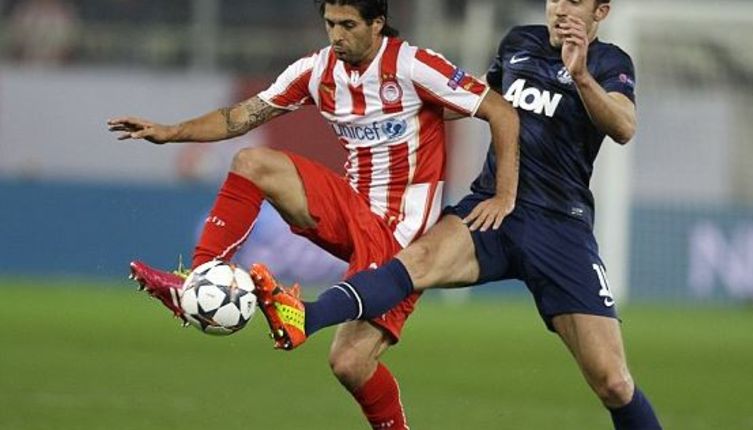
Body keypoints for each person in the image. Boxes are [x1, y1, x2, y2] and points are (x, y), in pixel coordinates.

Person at [107, 1, 520, 429]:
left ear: (377, 24)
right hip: (350, 208)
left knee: (349, 363)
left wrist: (504, 195)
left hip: (402, 238)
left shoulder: (415, 66)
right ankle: (195, 282)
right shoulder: (316, 71)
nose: (337, 35)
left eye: (348, 25)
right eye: (330, 24)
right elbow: (241, 116)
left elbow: (501, 112)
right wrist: (171, 132)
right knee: (252, 163)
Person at [249, 0, 662, 428]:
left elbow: (624, 126)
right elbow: (473, 95)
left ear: (602, 12)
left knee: (613, 382)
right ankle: (306, 315)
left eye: (575, 1)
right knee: (415, 262)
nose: (560, 8)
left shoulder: (611, 62)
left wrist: (580, 76)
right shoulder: (520, 43)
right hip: (493, 210)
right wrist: (391, 103)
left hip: (560, 226)